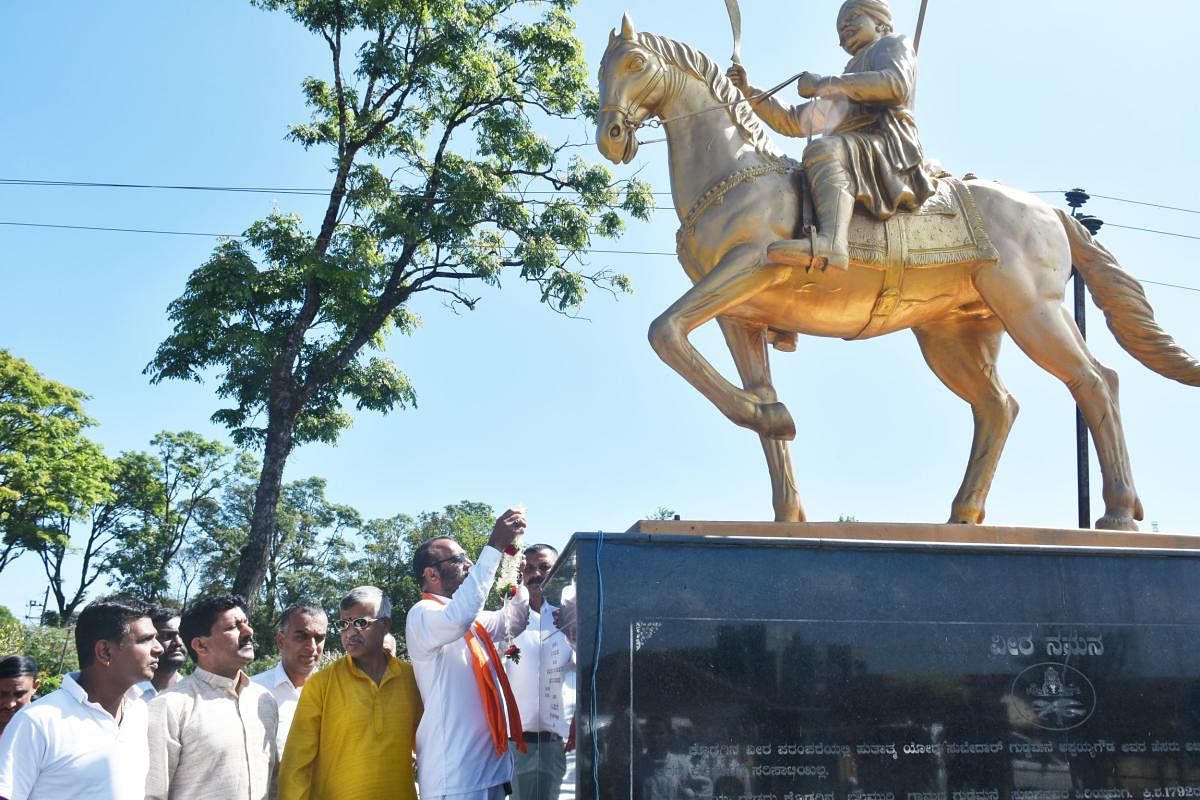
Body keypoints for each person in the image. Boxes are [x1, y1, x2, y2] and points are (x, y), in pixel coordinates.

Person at [727, 0, 934, 271]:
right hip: (855, 146)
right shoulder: (849, 76)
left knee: (823, 150)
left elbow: (894, 84)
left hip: (886, 145)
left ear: (880, 21)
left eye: (852, 17)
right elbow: (793, 120)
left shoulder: (893, 44)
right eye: (839, 29)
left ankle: (833, 243)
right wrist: (750, 92)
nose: (844, 28)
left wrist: (824, 84)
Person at [406, 508, 531, 800]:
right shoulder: (422, 615)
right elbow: (459, 615)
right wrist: (495, 546)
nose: (469, 563)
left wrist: (515, 573)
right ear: (431, 574)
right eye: (459, 559)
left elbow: (513, 621)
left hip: (492, 772)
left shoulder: (473, 620)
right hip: (455, 779)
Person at [0, 598, 163, 800]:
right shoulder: (37, 721)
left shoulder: (139, 711)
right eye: (145, 640)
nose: (158, 648)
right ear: (104, 651)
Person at [278, 587, 421, 800]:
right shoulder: (321, 685)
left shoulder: (413, 679)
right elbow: (295, 766)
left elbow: (430, 746)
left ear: (385, 625)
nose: (350, 633)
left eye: (360, 623)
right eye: (343, 624)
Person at [146, 594, 278, 800]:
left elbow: (273, 785)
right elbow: (152, 794)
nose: (249, 632)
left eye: (246, 623)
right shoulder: (170, 706)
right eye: (233, 627)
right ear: (200, 645)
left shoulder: (265, 701)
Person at [504, 544, 576, 800]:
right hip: (516, 743)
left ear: (557, 570)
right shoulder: (508, 620)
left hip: (556, 743)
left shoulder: (567, 619)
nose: (536, 574)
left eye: (544, 567)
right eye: (530, 568)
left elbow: (587, 672)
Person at [252, 602, 328, 753]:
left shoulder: (334, 692)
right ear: (281, 640)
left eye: (319, 638)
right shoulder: (252, 691)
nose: (312, 646)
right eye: (302, 637)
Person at [136, 605, 187, 700]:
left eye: (182, 635)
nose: (178, 642)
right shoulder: (130, 694)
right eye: (168, 636)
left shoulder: (192, 693)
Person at [0, 656, 40, 736]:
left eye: (19, 694)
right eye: (2, 694)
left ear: (35, 686)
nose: (10, 704)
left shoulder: (43, 731)